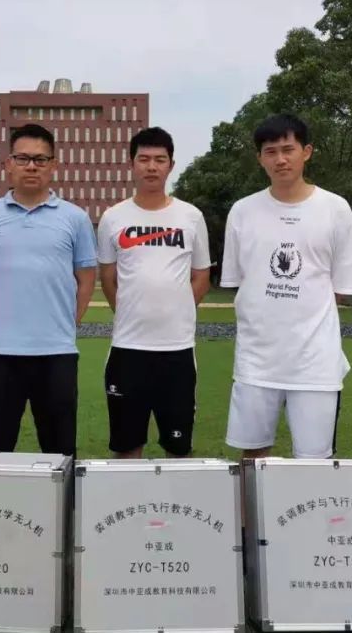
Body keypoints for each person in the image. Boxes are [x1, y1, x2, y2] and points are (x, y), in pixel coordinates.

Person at [221, 113, 352, 461]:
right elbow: (241, 281)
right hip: (256, 360)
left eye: (288, 149)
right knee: (253, 456)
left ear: (306, 152)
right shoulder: (242, 211)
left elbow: (340, 288)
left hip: (315, 362)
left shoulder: (335, 209)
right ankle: (252, 504)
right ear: (260, 158)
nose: (280, 159)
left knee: (313, 460)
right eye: (271, 152)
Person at [0, 123, 97, 457]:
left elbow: (86, 280)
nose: (32, 166)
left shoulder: (75, 218)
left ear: (54, 165)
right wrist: (1, 315)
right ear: (8, 164)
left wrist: (66, 323)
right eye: (23, 158)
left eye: (40, 159)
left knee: (60, 453)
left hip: (56, 352)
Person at [97, 127, 211, 458]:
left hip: (177, 351)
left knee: (178, 449)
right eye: (144, 159)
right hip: (127, 349)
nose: (151, 166)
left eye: (159, 160)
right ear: (131, 164)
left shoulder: (191, 216)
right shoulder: (113, 217)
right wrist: (130, 310)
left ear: (171, 165)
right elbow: (108, 277)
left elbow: (201, 275)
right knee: (127, 447)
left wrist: (178, 310)